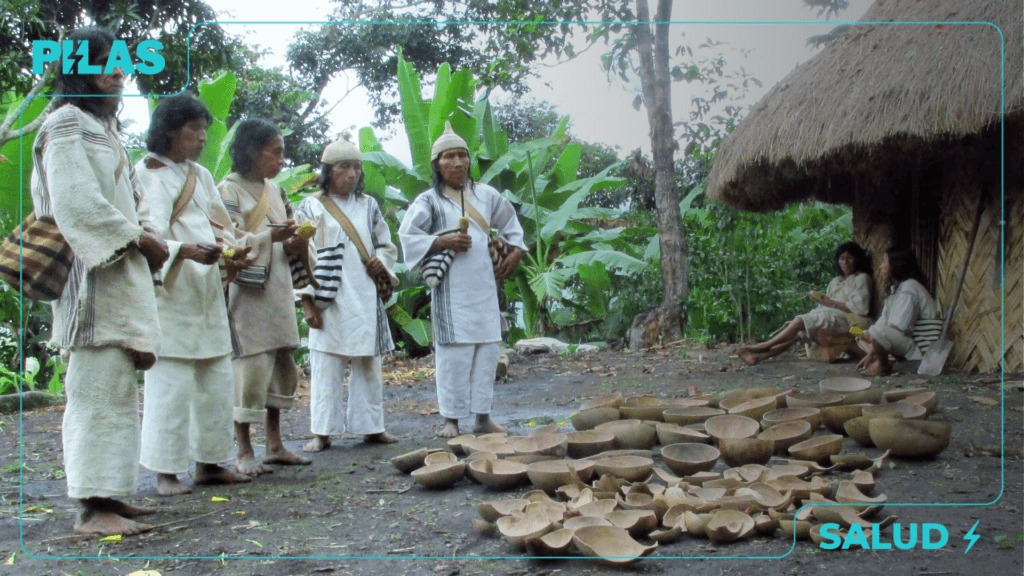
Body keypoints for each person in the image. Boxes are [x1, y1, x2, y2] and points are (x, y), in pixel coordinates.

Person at [30, 26, 169, 535]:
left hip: (116, 274)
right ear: (76, 67)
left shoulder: (102, 128)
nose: (117, 70)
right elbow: (76, 204)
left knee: (113, 385)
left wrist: (149, 237)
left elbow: (133, 202)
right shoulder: (65, 123)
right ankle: (92, 507)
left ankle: (109, 493)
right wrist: (139, 239)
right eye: (103, 61)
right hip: (90, 280)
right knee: (94, 388)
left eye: (122, 61)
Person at [135, 93, 253, 496]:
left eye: (204, 130)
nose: (202, 137)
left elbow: (221, 222)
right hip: (172, 294)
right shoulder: (148, 174)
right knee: (170, 386)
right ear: (170, 130)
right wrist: (181, 250)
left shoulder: (201, 176)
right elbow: (147, 235)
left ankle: (210, 463)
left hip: (207, 291)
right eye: (194, 129)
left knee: (215, 382)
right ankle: (166, 473)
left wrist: (234, 252)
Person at [398, 122, 526, 438]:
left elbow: (511, 223)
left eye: (462, 156)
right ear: (437, 165)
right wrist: (442, 242)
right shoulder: (428, 201)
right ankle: (451, 421)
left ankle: (483, 418)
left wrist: (516, 253)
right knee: (453, 357)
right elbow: (408, 235)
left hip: (484, 289)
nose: (457, 163)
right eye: (449, 157)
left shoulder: (487, 195)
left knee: (486, 353)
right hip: (451, 293)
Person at [218, 118, 312, 475]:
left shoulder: (277, 191)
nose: (282, 160)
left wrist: (296, 240)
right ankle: (244, 450)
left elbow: (290, 232)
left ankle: (274, 444)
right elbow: (226, 242)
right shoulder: (227, 191)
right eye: (276, 152)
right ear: (253, 153)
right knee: (250, 368)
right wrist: (267, 240)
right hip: (247, 292)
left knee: (280, 363)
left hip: (277, 288)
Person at [296, 137, 400, 452]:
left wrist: (381, 260)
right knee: (326, 366)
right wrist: (306, 301)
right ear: (328, 170)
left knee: (368, 365)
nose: (352, 174)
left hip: (364, 296)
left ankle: (372, 428)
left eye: (356, 167)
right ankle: (322, 433)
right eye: (344, 166)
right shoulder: (311, 206)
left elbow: (386, 242)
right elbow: (300, 255)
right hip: (327, 299)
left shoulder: (369, 206)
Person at [737, 241, 872, 366]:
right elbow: (828, 304)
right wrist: (823, 301)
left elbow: (861, 308)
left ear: (857, 259)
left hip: (846, 319)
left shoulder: (861, 279)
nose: (846, 262)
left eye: (849, 258)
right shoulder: (836, 281)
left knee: (800, 320)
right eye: (842, 259)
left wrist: (831, 303)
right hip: (830, 314)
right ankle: (760, 357)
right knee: (799, 333)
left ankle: (764, 346)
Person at [857, 247, 938, 376]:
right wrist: (869, 339)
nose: (880, 266)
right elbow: (882, 323)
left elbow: (899, 327)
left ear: (896, 264)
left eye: (884, 261)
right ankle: (888, 362)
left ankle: (883, 367)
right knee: (865, 336)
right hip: (905, 341)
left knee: (875, 331)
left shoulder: (910, 286)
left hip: (919, 348)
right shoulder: (895, 291)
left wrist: (873, 348)